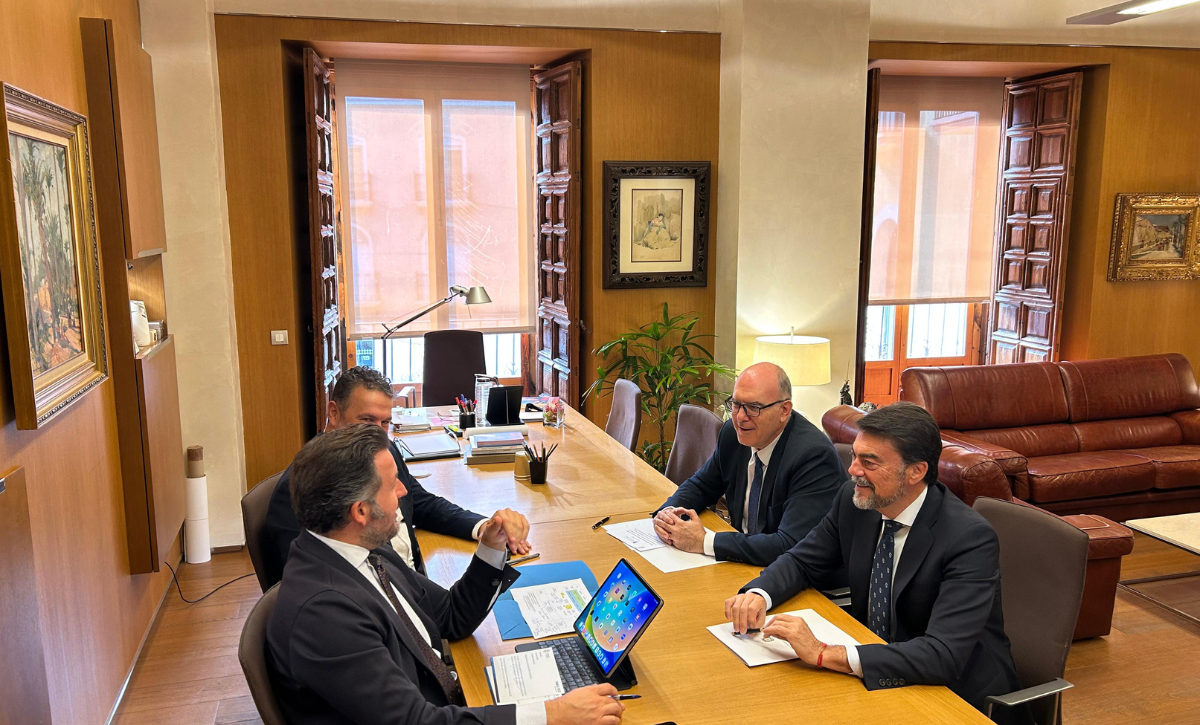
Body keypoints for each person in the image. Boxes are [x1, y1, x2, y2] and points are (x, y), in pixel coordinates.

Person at [267, 424, 624, 725]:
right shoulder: (325, 613)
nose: (404, 491)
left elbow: (452, 617)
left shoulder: (364, 551)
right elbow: (417, 721)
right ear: (360, 511)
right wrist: (551, 715)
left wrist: (492, 546)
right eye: (392, 485)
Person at [723, 402, 1030, 724]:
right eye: (855, 456)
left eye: (868, 462)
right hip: (874, 668)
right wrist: (759, 594)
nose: (853, 470)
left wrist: (824, 652)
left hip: (953, 697)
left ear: (916, 472)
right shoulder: (855, 501)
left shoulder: (968, 538)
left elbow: (942, 655)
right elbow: (802, 560)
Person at [262, 366, 530, 586]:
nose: (378, 433)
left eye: (385, 422)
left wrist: (482, 526)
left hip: (415, 584)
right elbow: (309, 585)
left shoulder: (383, 450)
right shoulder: (301, 488)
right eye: (367, 421)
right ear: (334, 413)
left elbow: (420, 503)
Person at [651, 362, 845, 566]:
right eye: (736, 404)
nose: (741, 417)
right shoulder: (733, 434)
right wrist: (667, 515)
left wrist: (704, 541)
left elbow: (789, 545)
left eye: (754, 407)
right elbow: (701, 486)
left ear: (784, 410)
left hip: (790, 573)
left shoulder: (813, 456)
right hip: (742, 561)